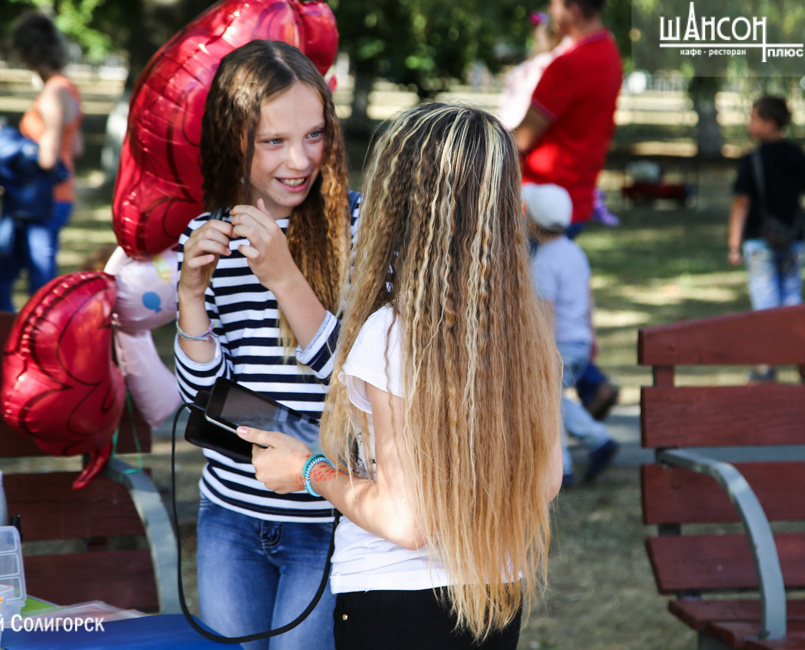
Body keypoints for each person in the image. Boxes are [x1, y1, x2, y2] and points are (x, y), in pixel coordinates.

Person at [239, 103, 564, 649]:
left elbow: (405, 521)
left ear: (399, 207)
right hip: (494, 595)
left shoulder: (391, 335)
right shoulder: (530, 329)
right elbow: (546, 482)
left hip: (393, 604)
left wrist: (309, 471)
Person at [174, 40, 357, 650]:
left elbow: (361, 385)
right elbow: (205, 397)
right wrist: (191, 296)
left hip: (327, 515)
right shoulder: (207, 235)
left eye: (314, 135)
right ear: (234, 140)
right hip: (229, 515)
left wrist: (285, 277)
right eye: (274, 141)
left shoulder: (361, 228)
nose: (300, 160)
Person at [512, 0, 622, 420]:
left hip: (539, 199)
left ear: (573, 8)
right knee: (551, 295)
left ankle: (558, 399)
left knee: (529, 303)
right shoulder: (609, 53)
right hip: (576, 194)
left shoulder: (570, 64)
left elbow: (523, 137)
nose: (548, 9)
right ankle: (593, 384)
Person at [0, 12, 83, 312]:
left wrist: (3, 138)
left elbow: (48, 158)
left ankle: (38, 338)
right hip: (51, 198)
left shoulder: (52, 94)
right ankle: (11, 332)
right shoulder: (68, 87)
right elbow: (76, 147)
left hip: (44, 202)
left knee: (41, 287)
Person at [524, 183, 619, 486]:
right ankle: (591, 446)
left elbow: (547, 313)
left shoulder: (542, 263)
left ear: (533, 224)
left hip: (560, 345)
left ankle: (571, 462)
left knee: (549, 402)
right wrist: (593, 334)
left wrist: (544, 350)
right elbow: (588, 296)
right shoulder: (576, 253)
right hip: (581, 341)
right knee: (554, 399)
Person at [728, 95, 805, 384]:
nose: (749, 124)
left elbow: (741, 203)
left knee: (765, 302)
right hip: (793, 240)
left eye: (754, 118)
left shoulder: (753, 159)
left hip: (760, 241)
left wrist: (733, 244)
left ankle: (765, 366)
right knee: (791, 299)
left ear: (769, 123)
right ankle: (804, 350)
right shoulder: (799, 156)